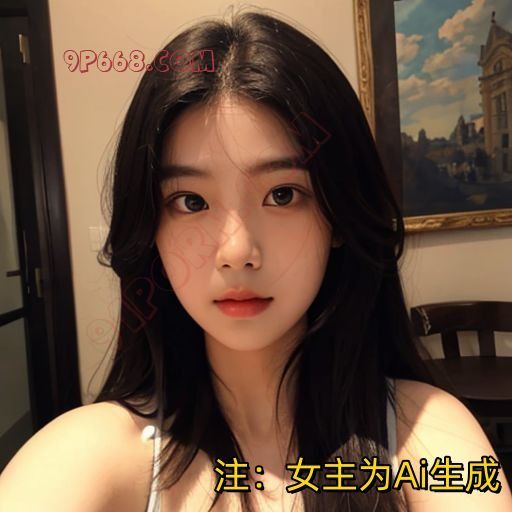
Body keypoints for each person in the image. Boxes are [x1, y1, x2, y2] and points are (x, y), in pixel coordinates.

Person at [1, 7, 511, 512]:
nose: (237, 252)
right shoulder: (95, 453)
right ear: (149, 229)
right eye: (191, 201)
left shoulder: (426, 435)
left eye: (283, 194)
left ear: (339, 216)